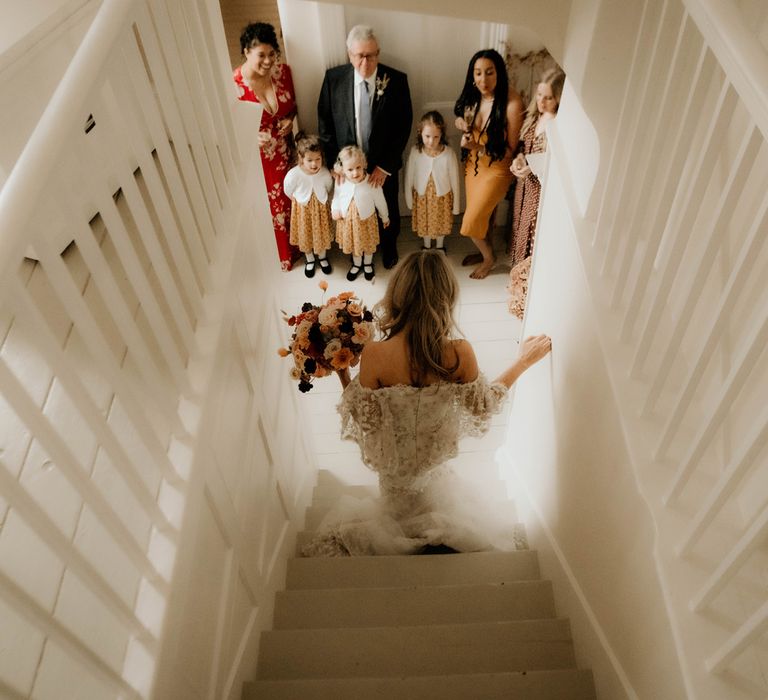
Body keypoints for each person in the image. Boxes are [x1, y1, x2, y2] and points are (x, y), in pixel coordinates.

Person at [302, 250, 551, 557]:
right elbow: (483, 405)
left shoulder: (376, 355)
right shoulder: (459, 353)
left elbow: (366, 420)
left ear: (396, 296)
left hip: (395, 479)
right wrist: (523, 362)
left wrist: (343, 372)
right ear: (447, 297)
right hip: (433, 473)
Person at [317, 25, 413, 270]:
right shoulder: (333, 79)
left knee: (387, 205)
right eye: (360, 55)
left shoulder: (397, 80)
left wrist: (386, 166)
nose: (366, 61)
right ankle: (358, 249)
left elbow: (404, 126)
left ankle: (389, 245)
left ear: (378, 53)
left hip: (382, 163)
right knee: (353, 209)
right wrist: (334, 164)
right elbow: (325, 122)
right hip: (348, 167)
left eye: (371, 55)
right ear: (350, 54)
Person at [234, 22, 299, 271]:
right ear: (246, 52)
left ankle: (301, 249)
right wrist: (249, 137)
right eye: (261, 55)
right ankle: (280, 259)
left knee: (292, 199)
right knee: (271, 210)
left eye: (272, 54)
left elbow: (292, 107)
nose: (268, 61)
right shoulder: (234, 86)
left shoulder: (284, 73)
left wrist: (290, 121)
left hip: (286, 152)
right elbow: (226, 131)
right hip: (258, 161)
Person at [454, 49, 524, 279]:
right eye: (478, 73)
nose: (483, 80)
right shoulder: (474, 94)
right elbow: (459, 112)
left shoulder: (511, 103)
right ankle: (486, 249)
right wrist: (461, 124)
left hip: (497, 168)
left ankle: (489, 259)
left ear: (499, 73)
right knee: (484, 214)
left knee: (471, 220)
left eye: (489, 73)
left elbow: (510, 152)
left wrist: (476, 147)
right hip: (474, 165)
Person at [507, 68, 565, 319]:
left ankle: (529, 287)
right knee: (519, 226)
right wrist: (519, 161)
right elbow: (524, 148)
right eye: (540, 94)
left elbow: (553, 161)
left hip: (540, 189)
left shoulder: (557, 125)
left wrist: (532, 167)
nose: (542, 101)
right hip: (525, 184)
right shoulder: (535, 118)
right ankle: (517, 282)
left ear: (559, 99)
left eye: (549, 97)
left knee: (533, 230)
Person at [404, 111, 461, 252]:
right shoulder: (415, 152)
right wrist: (408, 199)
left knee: (441, 221)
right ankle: (427, 245)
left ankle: (440, 246)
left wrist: (457, 205)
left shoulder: (449, 154)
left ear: (441, 135)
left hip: (442, 197)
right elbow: (409, 177)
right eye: (427, 136)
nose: (431, 141)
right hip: (422, 197)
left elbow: (455, 180)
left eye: (436, 137)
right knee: (425, 221)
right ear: (420, 133)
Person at [331, 146, 390, 282]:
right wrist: (335, 209)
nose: (355, 173)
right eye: (350, 170)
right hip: (349, 222)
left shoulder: (370, 182)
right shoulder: (341, 182)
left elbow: (380, 200)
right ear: (343, 170)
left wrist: (385, 216)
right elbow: (337, 197)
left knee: (368, 244)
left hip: (366, 220)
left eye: (358, 167)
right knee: (355, 245)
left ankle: (368, 263)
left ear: (364, 165)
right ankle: (357, 264)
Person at [284, 133, 334, 277]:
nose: (314, 164)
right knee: (306, 234)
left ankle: (322, 257)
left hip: (320, 210)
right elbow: (288, 189)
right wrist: (296, 199)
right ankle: (310, 259)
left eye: (318, 159)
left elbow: (328, 187)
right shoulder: (294, 174)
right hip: (303, 210)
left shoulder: (324, 173)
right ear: (301, 159)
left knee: (321, 234)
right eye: (310, 160)